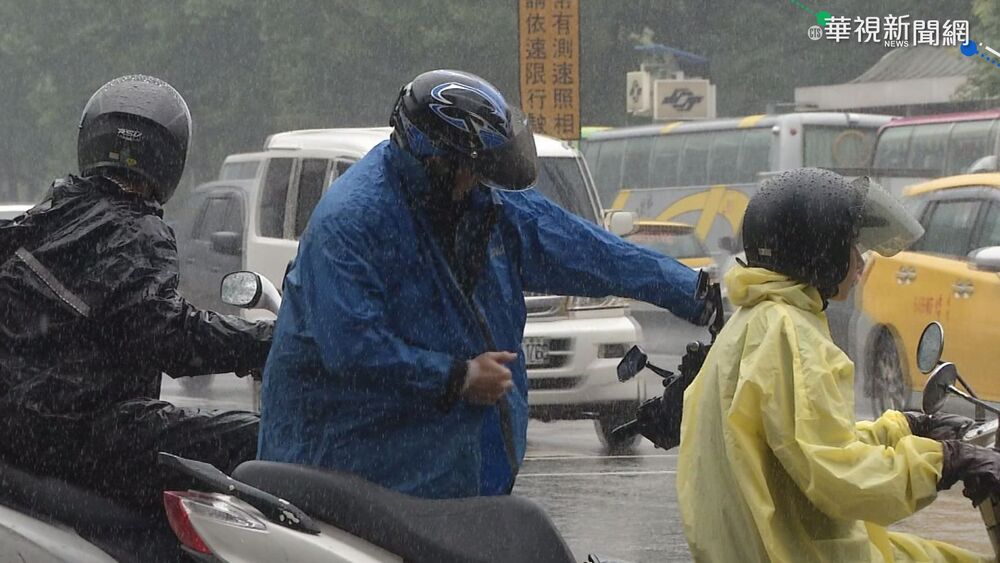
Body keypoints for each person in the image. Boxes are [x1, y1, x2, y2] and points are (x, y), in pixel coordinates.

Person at [258, 69, 713, 499]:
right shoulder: (353, 224)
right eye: (472, 168)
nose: (479, 181)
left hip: (448, 479)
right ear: (435, 160)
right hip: (349, 476)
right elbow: (352, 348)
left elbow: (587, 250)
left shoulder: (481, 206)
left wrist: (690, 291)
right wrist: (458, 377)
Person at [677, 168, 998, 562]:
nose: (861, 261)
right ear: (819, 249)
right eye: (849, 244)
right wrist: (945, 462)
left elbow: (811, 442)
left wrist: (904, 427)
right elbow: (839, 479)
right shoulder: (791, 337)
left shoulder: (756, 322)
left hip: (775, 543)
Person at [0, 75, 273, 511]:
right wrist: (270, 341)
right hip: (86, 435)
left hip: (22, 436)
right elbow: (174, 338)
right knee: (263, 436)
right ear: (170, 159)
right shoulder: (137, 231)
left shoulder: (50, 211)